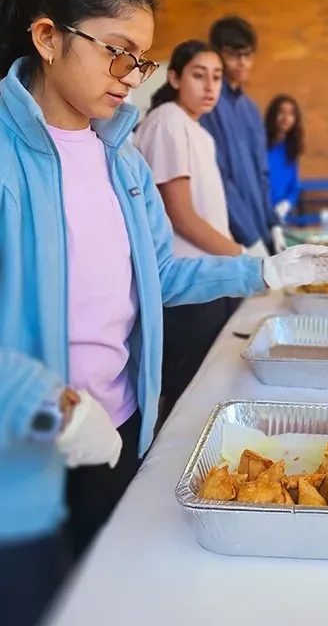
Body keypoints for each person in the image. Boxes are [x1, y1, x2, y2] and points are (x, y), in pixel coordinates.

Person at [0, 0, 328, 626]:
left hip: (118, 428)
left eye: (142, 58)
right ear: (46, 36)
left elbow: (158, 273)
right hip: (22, 458)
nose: (132, 74)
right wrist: (50, 407)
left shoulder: (119, 161)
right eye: (115, 50)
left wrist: (263, 268)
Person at [134, 40, 242, 417]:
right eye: (199, 75)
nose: (210, 86)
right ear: (176, 77)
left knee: (202, 384)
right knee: (184, 397)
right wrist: (245, 259)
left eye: (216, 77)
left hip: (210, 273)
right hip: (186, 281)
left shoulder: (199, 131)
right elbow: (180, 214)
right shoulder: (167, 121)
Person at [200, 16, 280, 252]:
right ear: (217, 54)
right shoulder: (209, 106)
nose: (242, 62)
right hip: (230, 239)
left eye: (248, 55)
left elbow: (262, 175)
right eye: (234, 55)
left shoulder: (251, 110)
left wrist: (273, 223)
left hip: (260, 230)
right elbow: (218, 179)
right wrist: (249, 237)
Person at [265, 94, 303, 223]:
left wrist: (287, 204)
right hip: (260, 214)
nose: (286, 118)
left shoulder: (291, 150)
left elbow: (293, 186)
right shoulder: (260, 146)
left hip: (280, 217)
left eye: (291, 113)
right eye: (281, 112)